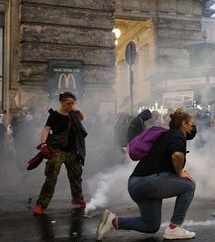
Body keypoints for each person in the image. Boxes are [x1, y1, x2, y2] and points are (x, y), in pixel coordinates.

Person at [96, 109, 197, 240]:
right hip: (147, 182)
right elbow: (177, 155)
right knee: (189, 186)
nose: (193, 127)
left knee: (151, 225)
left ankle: (113, 221)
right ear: (184, 123)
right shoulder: (178, 135)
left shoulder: (167, 135)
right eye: (191, 123)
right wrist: (179, 172)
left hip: (137, 184)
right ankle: (175, 227)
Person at [32, 92, 88, 216]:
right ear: (62, 102)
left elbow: (82, 118)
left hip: (72, 151)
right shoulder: (54, 115)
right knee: (51, 178)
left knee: (76, 175)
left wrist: (77, 109)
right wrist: (43, 144)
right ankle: (41, 204)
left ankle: (77, 199)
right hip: (57, 150)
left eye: (73, 103)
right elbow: (46, 129)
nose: (71, 105)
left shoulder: (74, 114)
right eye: (68, 103)